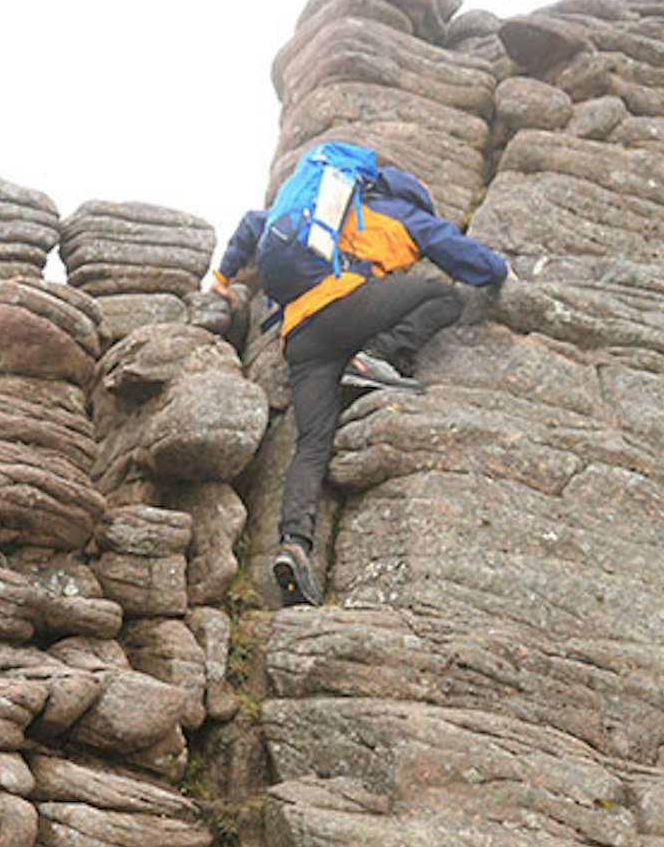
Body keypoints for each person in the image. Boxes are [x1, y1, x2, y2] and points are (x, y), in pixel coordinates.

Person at [210, 155, 511, 607]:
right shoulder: (406, 215)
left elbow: (255, 223)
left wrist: (221, 275)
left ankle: (295, 544)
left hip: (300, 338)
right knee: (443, 297)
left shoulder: (329, 207)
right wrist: (502, 273)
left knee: (312, 443)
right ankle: (376, 357)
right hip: (345, 307)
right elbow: (459, 252)